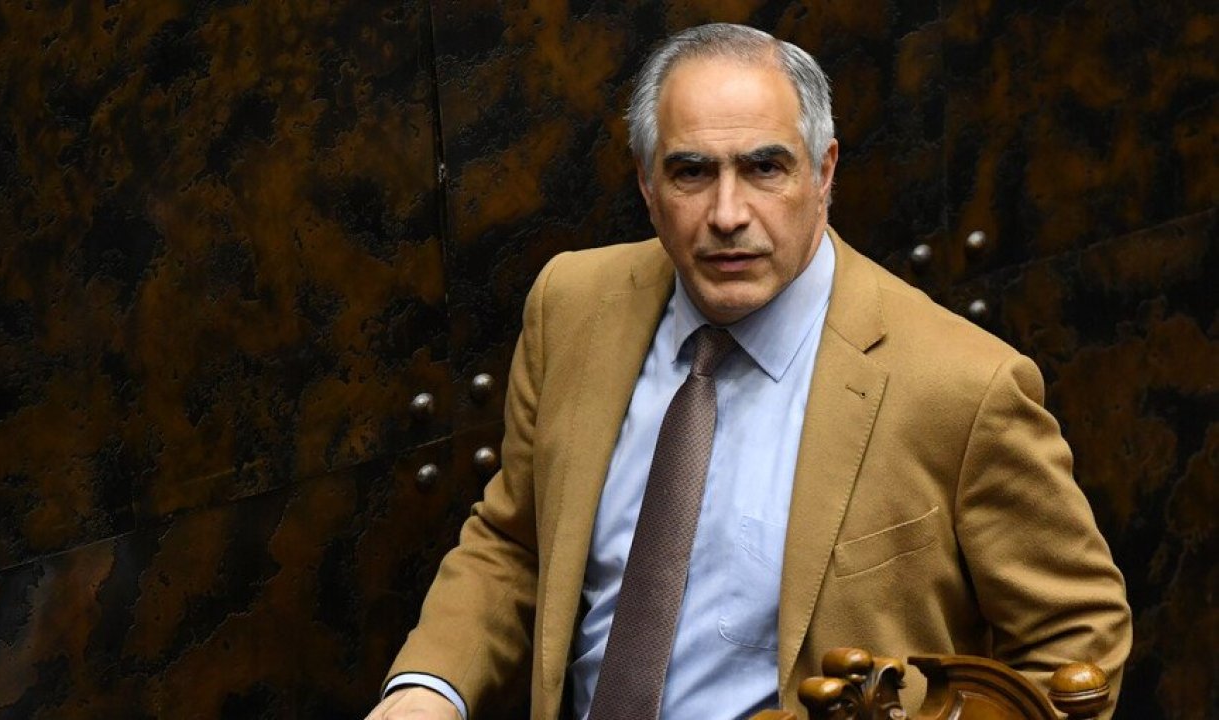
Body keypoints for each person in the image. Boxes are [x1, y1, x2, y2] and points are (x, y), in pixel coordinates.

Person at [368, 23, 1131, 720]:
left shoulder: (962, 387)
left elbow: (1077, 636)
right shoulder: (571, 306)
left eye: (765, 167)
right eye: (691, 172)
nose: (727, 213)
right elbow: (516, 544)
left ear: (823, 173)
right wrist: (426, 691)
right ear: (647, 185)